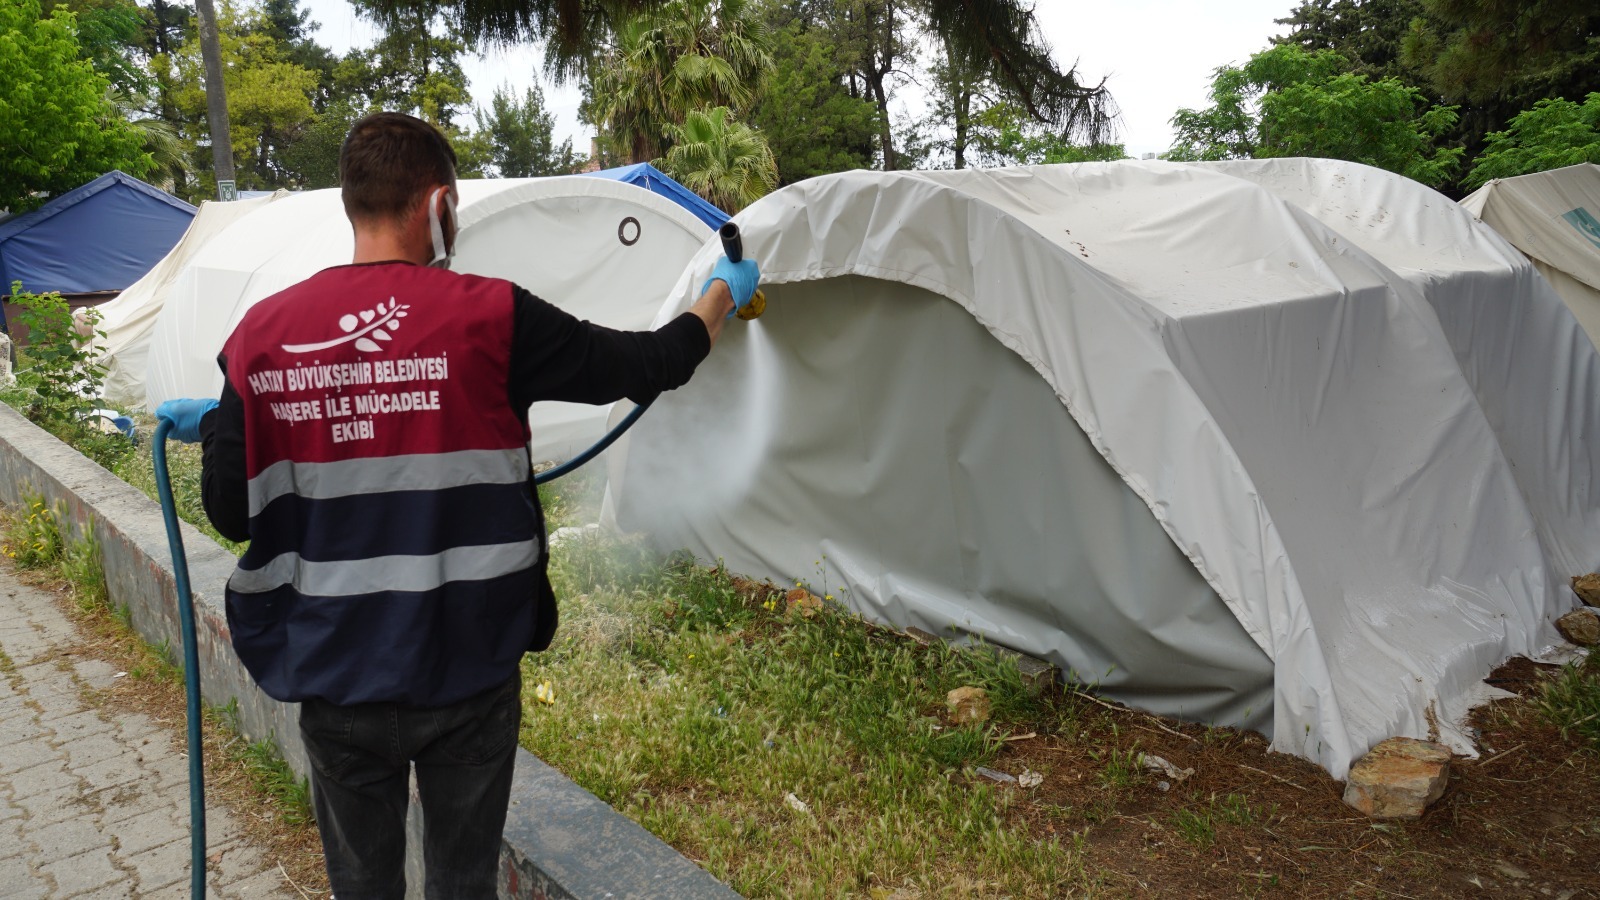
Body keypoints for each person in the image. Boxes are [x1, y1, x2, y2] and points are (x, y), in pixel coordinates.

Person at [156, 111, 759, 899]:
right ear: (438, 206)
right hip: (467, 669)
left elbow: (233, 513)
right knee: (463, 885)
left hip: (337, 674)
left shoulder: (259, 337)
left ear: (352, 203)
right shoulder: (494, 316)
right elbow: (649, 363)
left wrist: (225, 423)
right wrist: (719, 295)